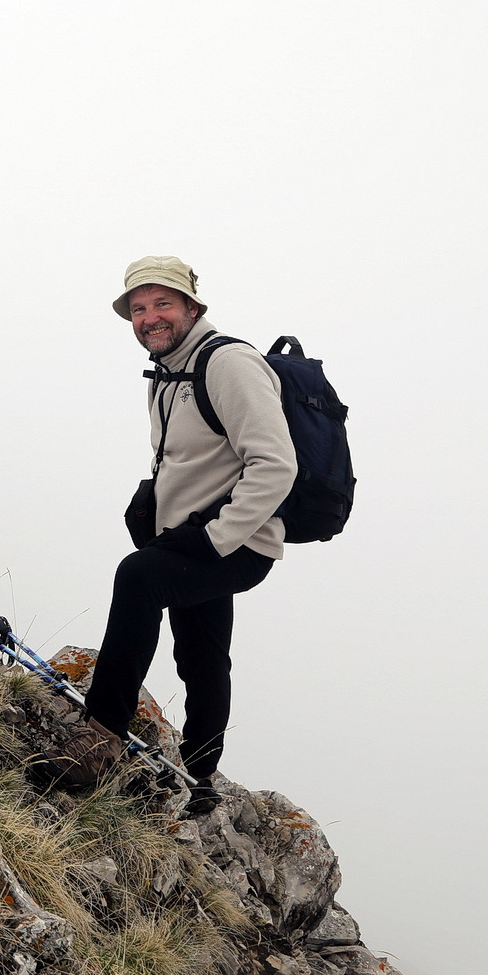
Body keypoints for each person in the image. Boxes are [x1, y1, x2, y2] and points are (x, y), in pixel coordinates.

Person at [77, 256, 297, 815]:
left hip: (238, 540)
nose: (149, 317)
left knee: (138, 580)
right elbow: (192, 458)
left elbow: (275, 464)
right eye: (138, 308)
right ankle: (201, 772)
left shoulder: (227, 364)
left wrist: (214, 539)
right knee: (202, 653)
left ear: (192, 306)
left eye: (162, 303)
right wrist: (154, 504)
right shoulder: (168, 369)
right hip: (193, 531)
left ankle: (98, 739)